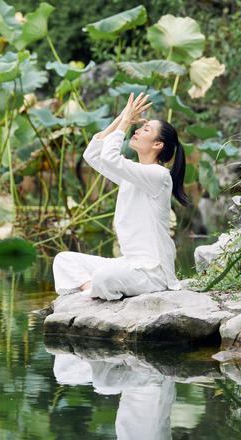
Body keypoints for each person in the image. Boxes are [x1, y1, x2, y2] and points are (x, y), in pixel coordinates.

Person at [52, 92, 190, 300]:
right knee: (64, 260)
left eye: (145, 129)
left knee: (104, 276)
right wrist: (123, 116)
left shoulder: (158, 175)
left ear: (157, 144)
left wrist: (125, 122)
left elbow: (110, 157)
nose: (136, 130)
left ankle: (91, 292)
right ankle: (93, 291)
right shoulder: (133, 174)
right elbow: (92, 155)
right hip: (129, 263)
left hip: (152, 273)